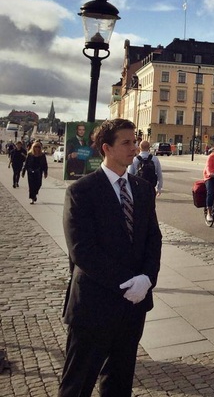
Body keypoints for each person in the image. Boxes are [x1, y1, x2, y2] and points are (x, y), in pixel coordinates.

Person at [58, 118, 162, 397]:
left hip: (133, 307)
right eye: (126, 142)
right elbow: (82, 251)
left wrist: (147, 279)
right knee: (77, 384)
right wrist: (127, 282)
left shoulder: (141, 188)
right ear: (107, 148)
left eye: (134, 140)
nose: (134, 147)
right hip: (94, 306)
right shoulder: (82, 191)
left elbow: (154, 238)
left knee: (119, 383)